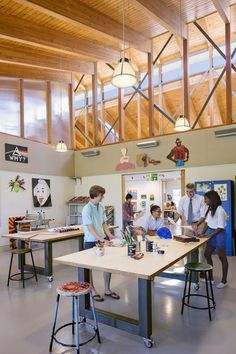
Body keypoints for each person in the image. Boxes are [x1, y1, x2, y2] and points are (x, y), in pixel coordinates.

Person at [82, 185, 120, 302]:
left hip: (101, 239)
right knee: (89, 268)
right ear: (94, 196)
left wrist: (109, 234)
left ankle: (107, 289)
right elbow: (90, 227)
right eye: (101, 195)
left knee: (107, 265)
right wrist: (102, 239)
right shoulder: (86, 209)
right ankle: (92, 290)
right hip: (90, 241)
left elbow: (104, 223)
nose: (103, 197)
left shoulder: (101, 206)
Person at [196, 190, 228, 289]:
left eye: (206, 199)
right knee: (207, 254)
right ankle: (210, 278)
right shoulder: (210, 208)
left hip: (219, 234)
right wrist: (202, 233)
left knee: (222, 257)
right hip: (211, 232)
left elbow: (220, 227)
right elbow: (207, 222)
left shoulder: (220, 210)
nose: (204, 201)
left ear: (211, 199)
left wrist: (208, 236)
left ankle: (224, 281)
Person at [174, 183, 207, 264]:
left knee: (201, 247)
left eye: (191, 191)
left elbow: (203, 215)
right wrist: (174, 221)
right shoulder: (183, 199)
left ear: (194, 190)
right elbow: (179, 212)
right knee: (187, 245)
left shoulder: (201, 199)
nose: (189, 194)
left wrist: (197, 224)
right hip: (188, 224)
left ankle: (201, 266)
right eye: (187, 191)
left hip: (200, 223)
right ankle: (187, 266)